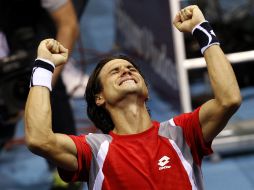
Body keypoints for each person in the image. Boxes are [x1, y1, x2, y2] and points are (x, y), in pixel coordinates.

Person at [24, 5, 241, 190]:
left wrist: (202, 30)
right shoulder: (93, 150)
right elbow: (39, 139)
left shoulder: (180, 133)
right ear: (99, 98)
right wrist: (43, 66)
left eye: (130, 68)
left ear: (146, 91)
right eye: (114, 72)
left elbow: (228, 99)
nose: (126, 71)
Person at [0, 0, 78, 148]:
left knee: (46, 76)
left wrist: (45, 79)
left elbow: (68, 25)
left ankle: (66, 163)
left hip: (27, 30)